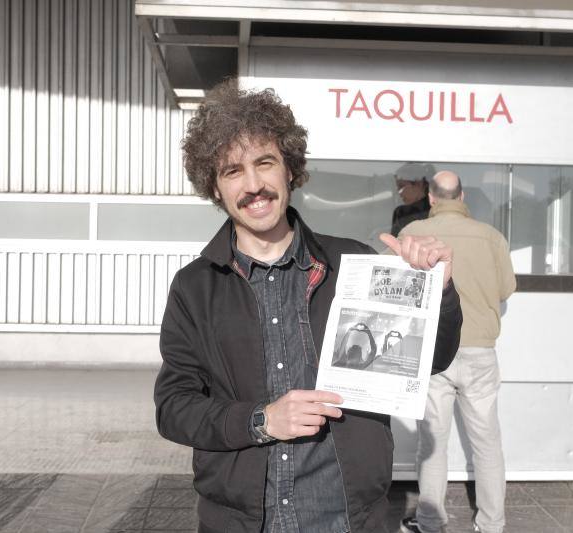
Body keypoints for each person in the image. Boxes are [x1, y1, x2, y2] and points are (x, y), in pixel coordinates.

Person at [154, 81, 463, 533]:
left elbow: (431, 359)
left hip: (347, 519)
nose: (254, 185)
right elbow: (174, 408)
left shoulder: (350, 266)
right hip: (242, 522)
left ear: (290, 171)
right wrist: (262, 420)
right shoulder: (195, 288)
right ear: (215, 187)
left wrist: (439, 290)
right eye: (233, 171)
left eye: (265, 163)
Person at [399, 171, 516, 533]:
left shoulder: (411, 234)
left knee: (433, 442)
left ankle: (431, 522)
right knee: (487, 443)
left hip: (434, 354)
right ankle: (492, 524)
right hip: (480, 351)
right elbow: (506, 289)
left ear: (431, 198)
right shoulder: (492, 237)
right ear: (461, 195)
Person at [390, 163, 434, 237]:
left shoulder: (402, 213)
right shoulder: (437, 209)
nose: (399, 192)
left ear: (418, 183)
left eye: (401, 186)